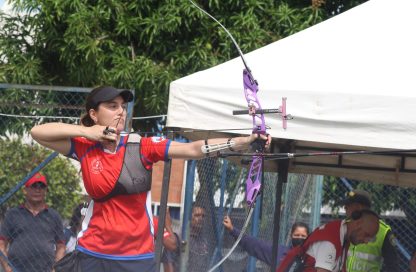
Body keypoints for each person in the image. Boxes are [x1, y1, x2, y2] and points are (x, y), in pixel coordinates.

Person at [30, 86, 271, 272]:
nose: (121, 111)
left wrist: (242, 141)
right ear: (94, 114)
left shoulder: (142, 146)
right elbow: (38, 133)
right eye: (112, 106)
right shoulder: (84, 147)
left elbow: (193, 149)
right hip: (92, 253)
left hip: (136, 256)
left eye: (122, 106)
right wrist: (86, 132)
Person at [0, 172, 66, 272]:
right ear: (25, 190)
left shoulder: (53, 216)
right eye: (34, 186)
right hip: (17, 269)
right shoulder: (13, 214)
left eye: (41, 186)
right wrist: (7, 268)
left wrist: (55, 269)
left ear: (46, 191)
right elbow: (2, 244)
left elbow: (61, 246)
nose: (38, 190)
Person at [277, 209, 380, 272]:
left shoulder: (341, 235)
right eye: (366, 235)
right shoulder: (330, 242)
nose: (366, 241)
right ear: (358, 223)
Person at [341, 189, 399, 272]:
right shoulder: (345, 227)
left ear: (358, 207)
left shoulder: (383, 231)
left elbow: (393, 265)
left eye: (348, 206)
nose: (345, 208)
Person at [223, 215, 309, 266]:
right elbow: (255, 245)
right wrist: (232, 230)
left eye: (303, 236)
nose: (300, 238)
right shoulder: (279, 253)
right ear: (291, 236)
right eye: (297, 235)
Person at [162, 205, 209, 272]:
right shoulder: (177, 238)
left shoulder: (203, 240)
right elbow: (168, 264)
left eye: (203, 216)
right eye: (197, 215)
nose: (201, 218)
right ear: (188, 217)